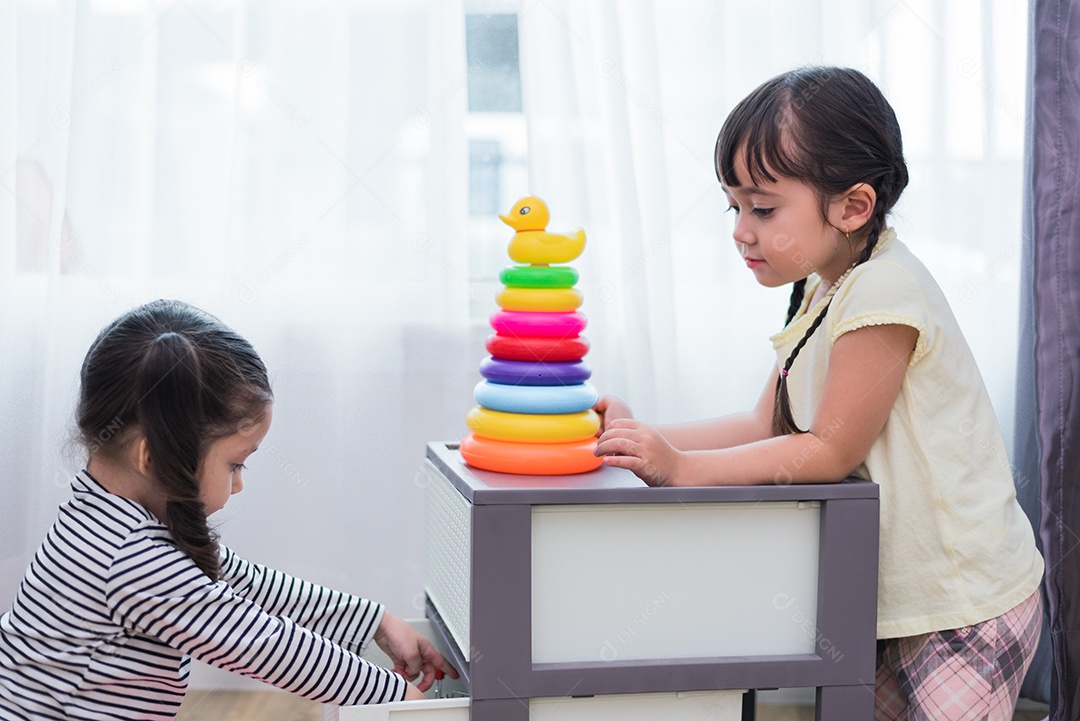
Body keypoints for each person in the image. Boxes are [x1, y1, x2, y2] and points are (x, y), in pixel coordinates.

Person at [594, 67, 1044, 719]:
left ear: (853, 207)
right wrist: (647, 439)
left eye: (763, 207)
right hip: (898, 605)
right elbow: (765, 420)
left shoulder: (882, 290)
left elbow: (829, 449)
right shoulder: (821, 287)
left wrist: (684, 468)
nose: (740, 230)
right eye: (734, 206)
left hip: (964, 602)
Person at [0, 299, 456, 720]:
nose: (239, 485)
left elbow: (240, 582)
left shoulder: (105, 512)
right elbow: (263, 644)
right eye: (234, 464)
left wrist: (374, 621)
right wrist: (395, 698)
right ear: (153, 457)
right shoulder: (129, 558)